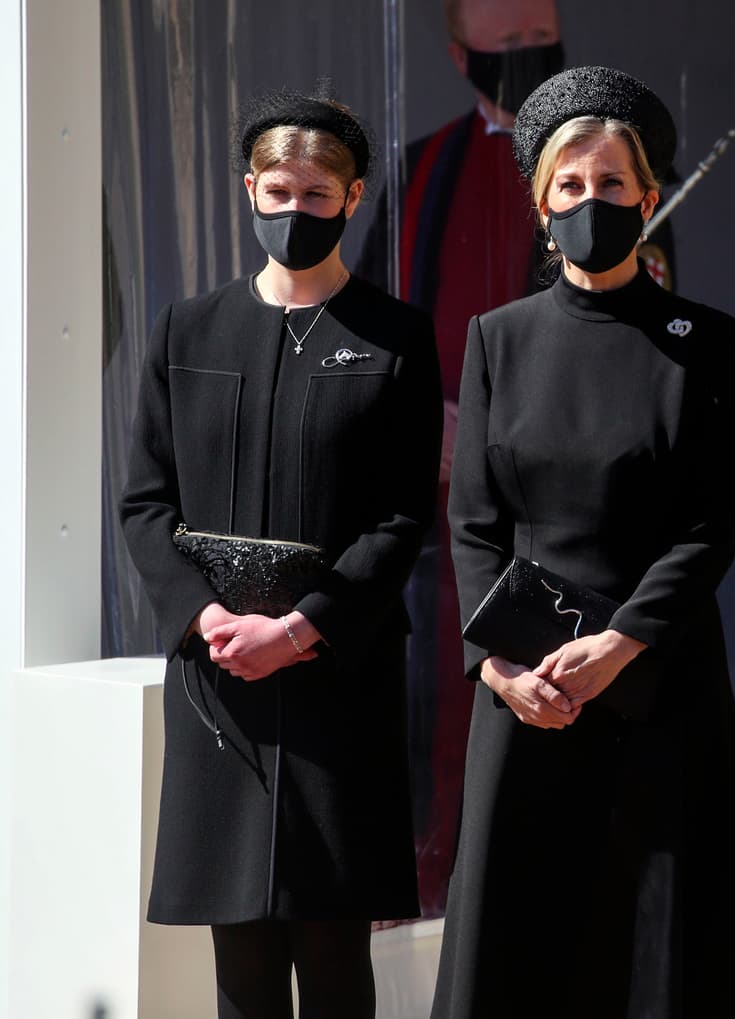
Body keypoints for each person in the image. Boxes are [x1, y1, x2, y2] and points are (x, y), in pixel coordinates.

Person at [430, 66, 735, 1018]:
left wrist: (621, 642)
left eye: (612, 185)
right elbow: (472, 521)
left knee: (662, 950)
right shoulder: (496, 338)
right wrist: (501, 668)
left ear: (647, 195)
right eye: (572, 186)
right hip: (525, 694)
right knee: (524, 943)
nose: (593, 202)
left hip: (657, 683)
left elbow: (711, 523)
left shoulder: (709, 343)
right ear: (541, 204)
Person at [119, 89, 442, 1019]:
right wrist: (207, 617)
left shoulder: (396, 338)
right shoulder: (188, 329)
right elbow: (145, 501)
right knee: (242, 963)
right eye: (277, 190)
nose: (293, 211)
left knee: (336, 953)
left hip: (339, 677)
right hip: (221, 682)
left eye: (316, 194)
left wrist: (305, 628)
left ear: (351, 199)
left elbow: (399, 517)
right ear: (248, 192)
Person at [356, 0, 678, 915]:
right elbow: (380, 332)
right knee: (453, 702)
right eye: (507, 46)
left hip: (586, 509)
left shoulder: (617, 183)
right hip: (457, 498)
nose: (530, 56)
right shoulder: (424, 174)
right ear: (461, 56)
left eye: (542, 36)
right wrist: (433, 417)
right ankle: (439, 882)